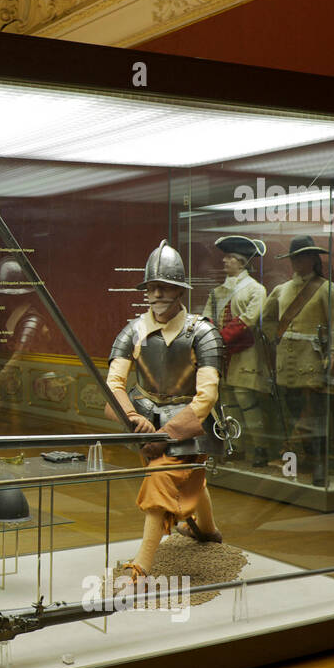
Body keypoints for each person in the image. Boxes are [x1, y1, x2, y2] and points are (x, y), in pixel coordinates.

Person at [105, 241, 225, 583]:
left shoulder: (202, 332)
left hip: (188, 421)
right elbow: (114, 384)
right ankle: (208, 530)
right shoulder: (133, 331)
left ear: (180, 289)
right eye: (151, 287)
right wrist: (131, 418)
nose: (157, 293)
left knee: (162, 480)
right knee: (188, 477)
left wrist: (168, 433)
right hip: (143, 416)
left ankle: (142, 566)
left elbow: (206, 395)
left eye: (165, 286)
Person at [261, 236, 334, 487]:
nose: (298, 261)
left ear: (313, 258)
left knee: (315, 416)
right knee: (290, 414)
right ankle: (298, 460)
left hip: (312, 362)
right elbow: (265, 321)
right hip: (284, 364)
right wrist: (275, 338)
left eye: (303, 256)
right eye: (295, 257)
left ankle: (320, 461)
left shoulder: (327, 289)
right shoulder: (280, 290)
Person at [203, 235, 273, 467]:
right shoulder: (217, 292)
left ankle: (260, 447)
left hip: (245, 352)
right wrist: (210, 341)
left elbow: (247, 320)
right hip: (223, 355)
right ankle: (237, 446)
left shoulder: (256, 290)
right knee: (229, 402)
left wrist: (219, 340)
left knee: (246, 399)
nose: (224, 261)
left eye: (230, 258)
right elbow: (208, 319)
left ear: (242, 262)